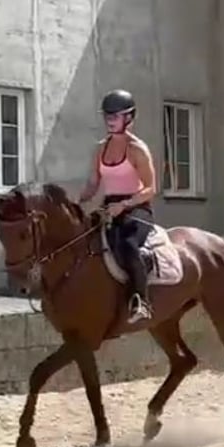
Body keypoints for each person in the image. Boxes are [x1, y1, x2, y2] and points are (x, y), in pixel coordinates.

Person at [78, 89, 157, 324]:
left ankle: (142, 302)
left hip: (137, 208)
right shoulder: (100, 148)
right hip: (109, 206)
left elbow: (151, 189)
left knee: (128, 245)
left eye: (115, 116)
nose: (110, 121)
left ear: (129, 118)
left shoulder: (137, 149)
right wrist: (78, 200)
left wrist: (124, 205)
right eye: (107, 116)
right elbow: (94, 182)